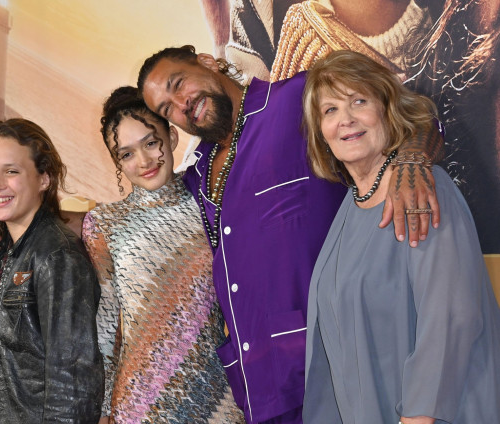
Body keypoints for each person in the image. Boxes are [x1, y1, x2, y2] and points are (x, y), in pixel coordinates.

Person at [137, 45, 443, 424]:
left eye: (178, 84)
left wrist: (412, 160)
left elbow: (416, 112)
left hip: (333, 370)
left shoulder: (296, 98)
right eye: (167, 108)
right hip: (260, 387)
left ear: (207, 62)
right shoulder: (197, 175)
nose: (182, 104)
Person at [302, 50, 500, 424]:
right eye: (329, 110)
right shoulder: (349, 208)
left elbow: (450, 316)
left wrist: (417, 417)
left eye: (359, 101)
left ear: (387, 109)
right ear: (321, 133)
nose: (345, 119)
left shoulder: (421, 190)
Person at [82, 86, 245, 423]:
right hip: (138, 404)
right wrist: (103, 412)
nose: (143, 162)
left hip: (219, 394)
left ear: (171, 137)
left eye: (150, 143)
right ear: (117, 162)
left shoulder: (209, 198)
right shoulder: (104, 224)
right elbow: (106, 324)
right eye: (126, 154)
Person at [0, 118, 103, 423]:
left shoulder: (57, 255)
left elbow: (73, 385)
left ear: (44, 179)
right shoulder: (1, 251)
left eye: (11, 171)